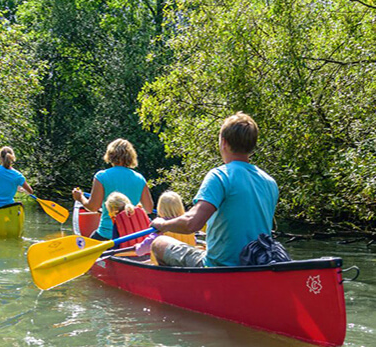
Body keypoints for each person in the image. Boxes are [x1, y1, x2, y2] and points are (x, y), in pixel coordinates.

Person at [151, 112, 279, 267]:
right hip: (256, 265)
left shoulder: (220, 176)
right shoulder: (269, 182)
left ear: (223, 142)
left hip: (218, 266)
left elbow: (192, 224)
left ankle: (179, 290)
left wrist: (162, 224)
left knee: (158, 243)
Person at [72, 138, 154, 240]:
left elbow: (93, 207)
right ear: (131, 157)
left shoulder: (102, 176)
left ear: (110, 155)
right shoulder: (139, 178)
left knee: (87, 248)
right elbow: (149, 209)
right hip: (132, 235)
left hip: (107, 234)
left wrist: (80, 198)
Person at [135, 190, 197, 258]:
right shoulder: (187, 224)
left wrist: (137, 247)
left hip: (164, 265)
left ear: (160, 208)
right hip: (185, 263)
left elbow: (141, 250)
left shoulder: (160, 227)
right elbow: (194, 241)